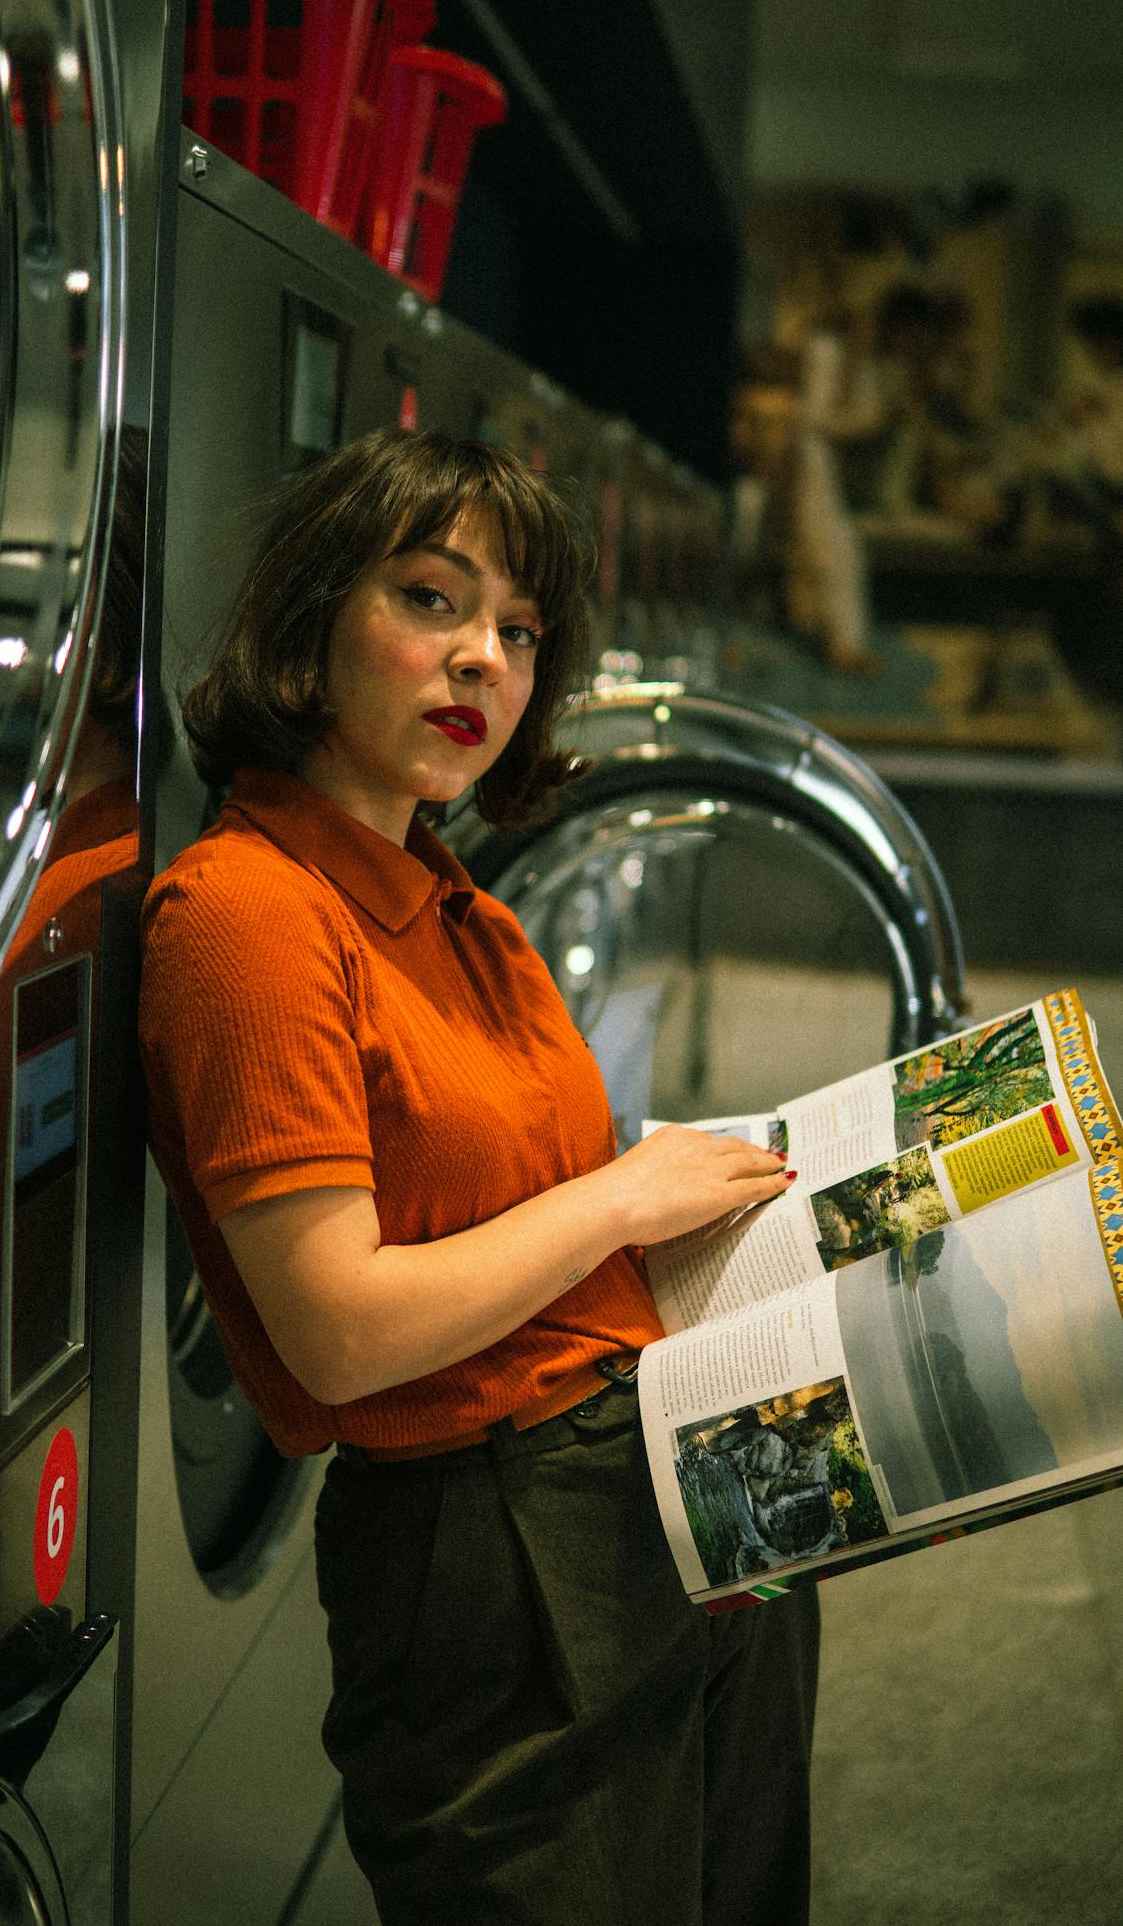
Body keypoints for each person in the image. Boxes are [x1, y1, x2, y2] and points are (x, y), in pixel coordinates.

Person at [139, 428, 820, 1926]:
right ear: (309, 621)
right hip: (496, 1539)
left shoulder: (454, 904)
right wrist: (624, 1201)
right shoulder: (248, 913)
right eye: (429, 601)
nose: (482, 661)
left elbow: (531, 1193)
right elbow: (338, 1329)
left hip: (668, 1473)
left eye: (517, 631)